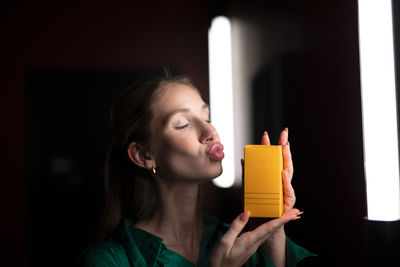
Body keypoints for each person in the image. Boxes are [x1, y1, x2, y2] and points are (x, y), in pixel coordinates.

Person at [82, 74, 315, 267]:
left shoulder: (243, 242)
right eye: (183, 123)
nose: (210, 130)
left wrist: (271, 233)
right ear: (144, 155)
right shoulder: (109, 260)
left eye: (206, 116)